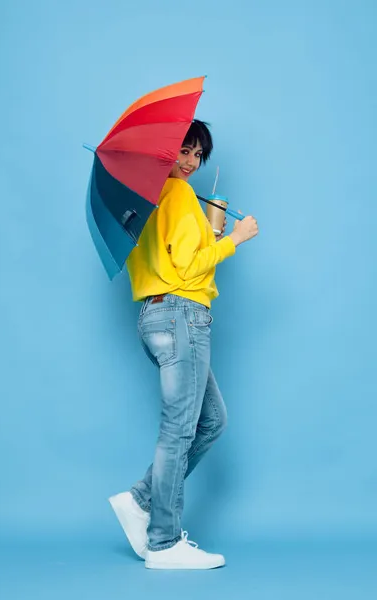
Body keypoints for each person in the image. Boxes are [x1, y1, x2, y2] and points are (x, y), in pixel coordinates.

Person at [109, 120, 259, 570]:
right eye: (184, 150)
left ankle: (139, 500)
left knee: (211, 421)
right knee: (179, 429)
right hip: (182, 316)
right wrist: (234, 239)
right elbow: (189, 270)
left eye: (197, 154)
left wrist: (207, 236)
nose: (191, 162)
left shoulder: (147, 202)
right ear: (164, 152)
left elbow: (174, 258)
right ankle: (163, 542)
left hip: (157, 315)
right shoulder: (175, 195)